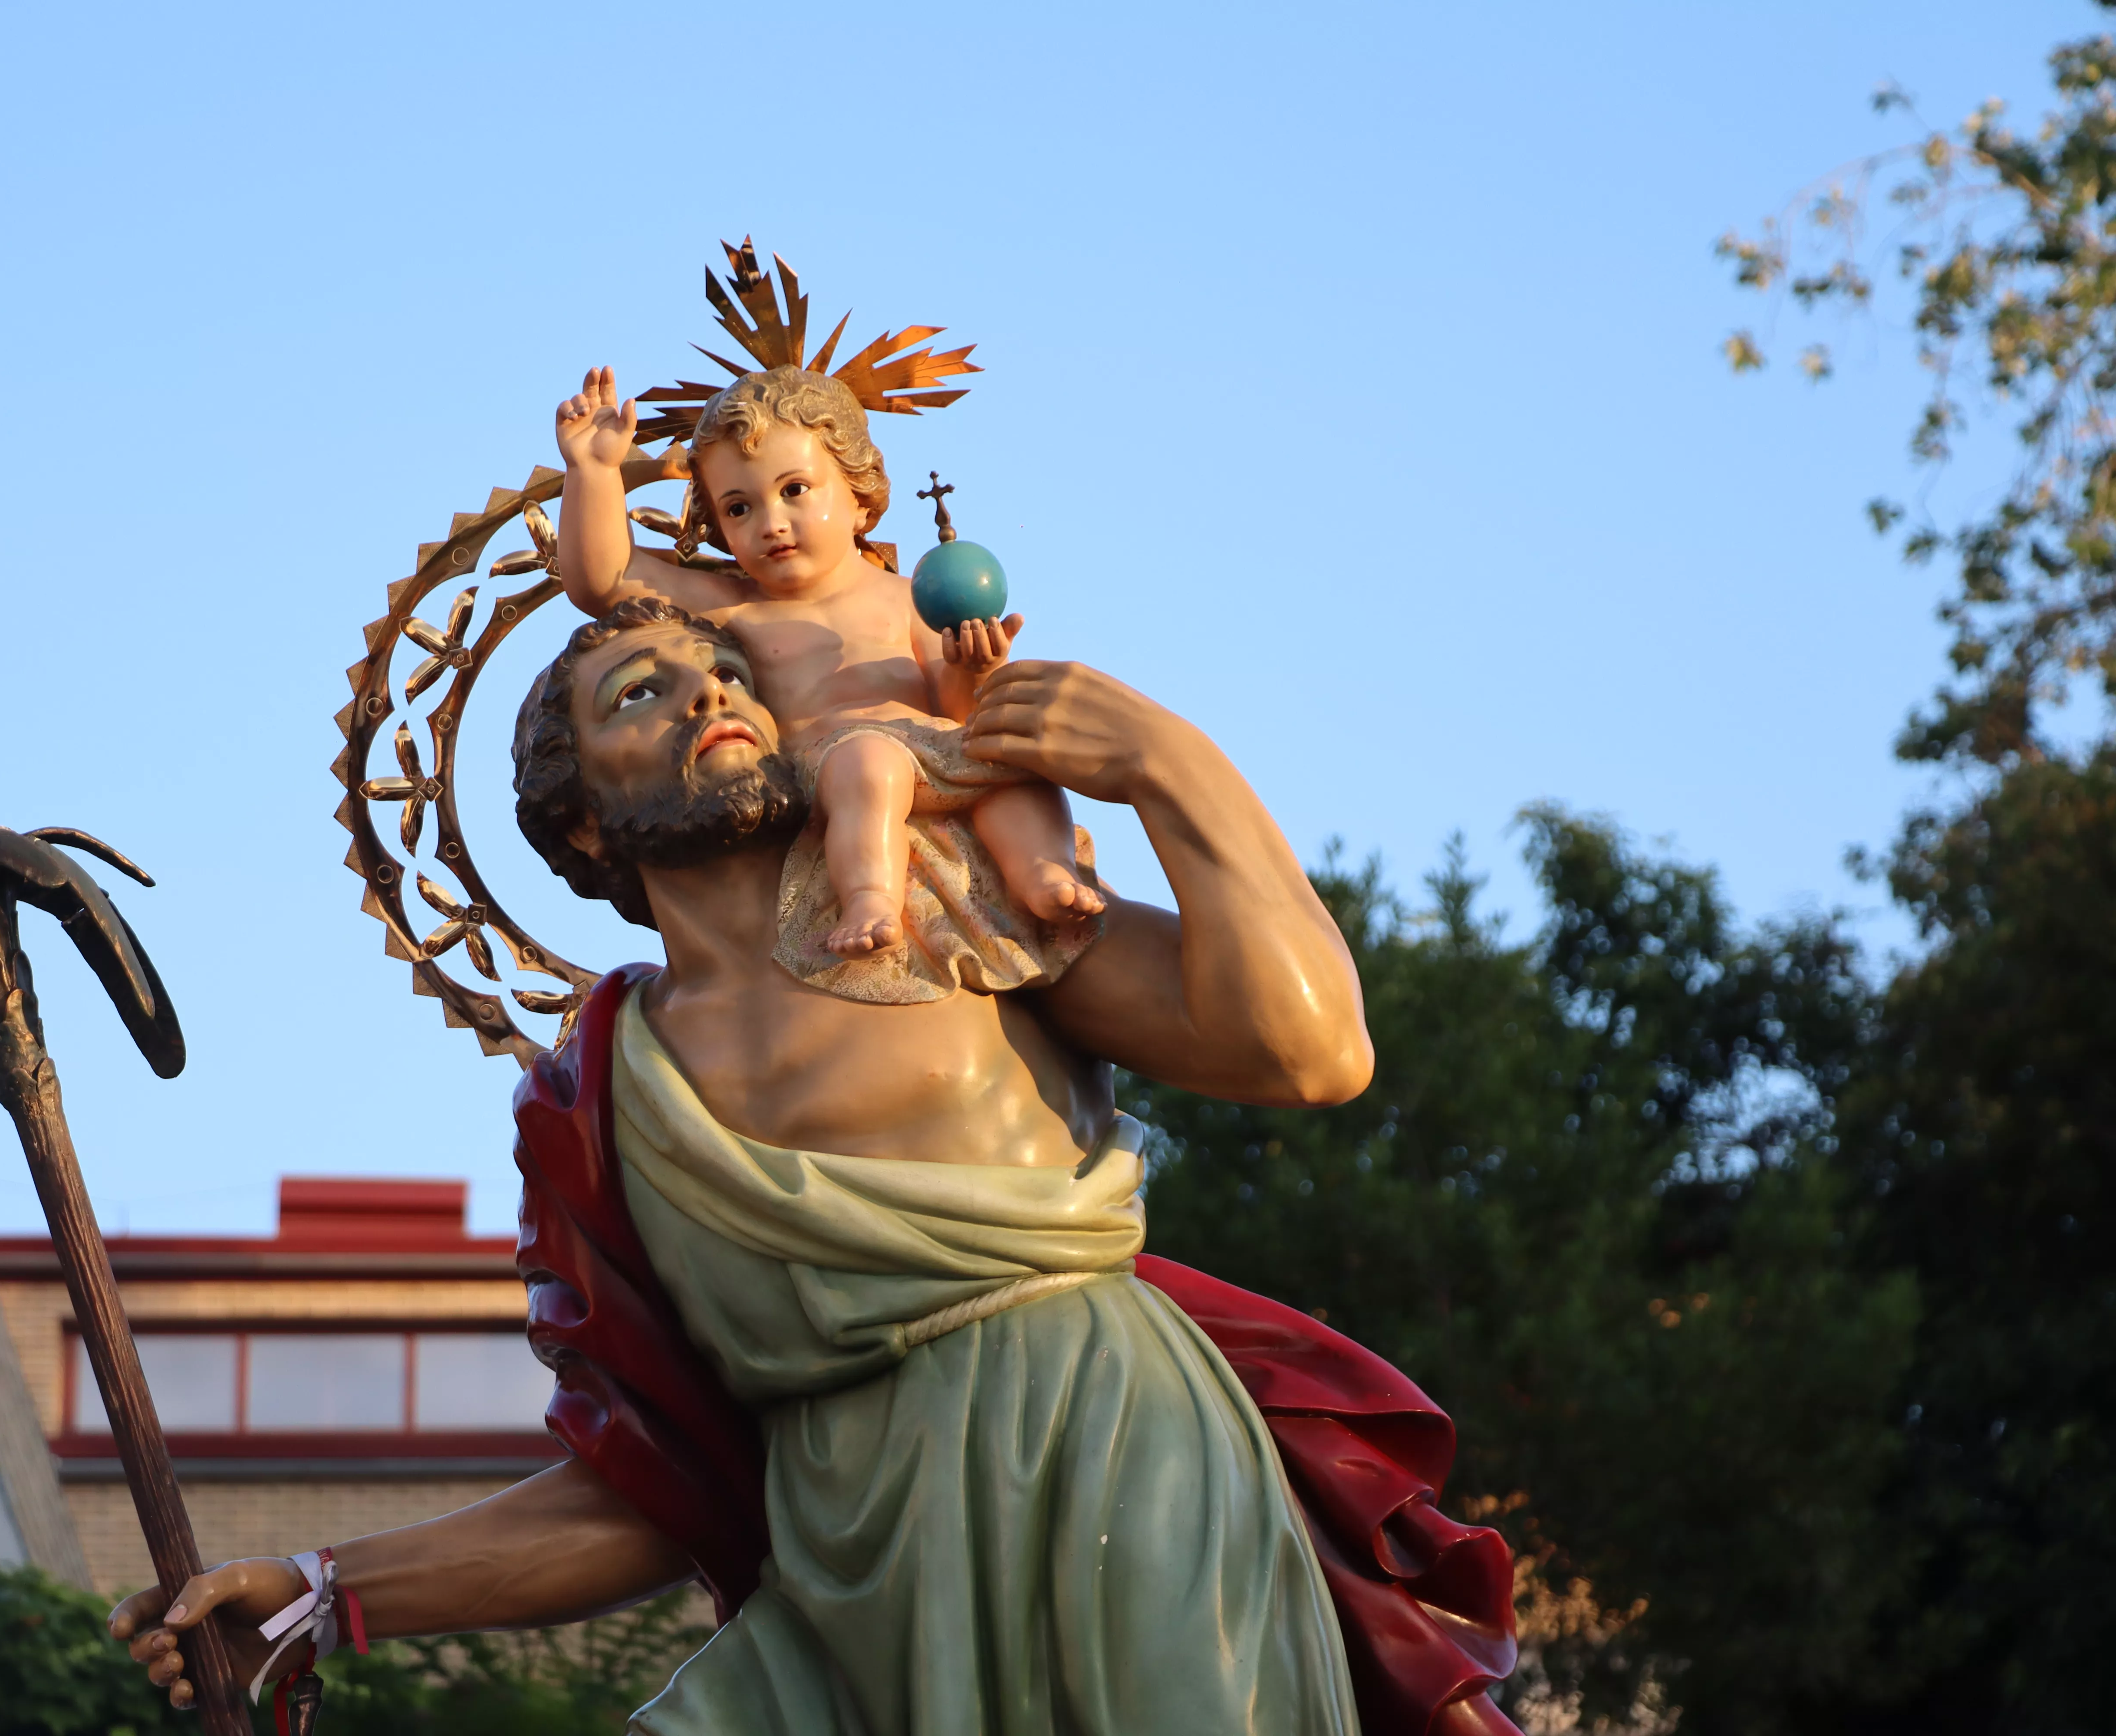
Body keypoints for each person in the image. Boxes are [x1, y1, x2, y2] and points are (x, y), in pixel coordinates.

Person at [109, 599, 1523, 1734]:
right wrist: (313, 1587)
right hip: (853, 1590)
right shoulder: (601, 1106)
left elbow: (1312, 1049)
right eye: (640, 697)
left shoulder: (941, 898)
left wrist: (1172, 765)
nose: (711, 698)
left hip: (1118, 1484)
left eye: (722, 671)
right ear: (584, 824)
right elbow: (644, 1493)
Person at [552, 359, 1105, 982]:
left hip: (940, 754)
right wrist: (594, 472)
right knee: (870, 766)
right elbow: (605, 580)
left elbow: (955, 707)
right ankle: (870, 896)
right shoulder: (734, 606)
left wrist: (974, 668)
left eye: (794, 491)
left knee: (1015, 772)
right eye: (738, 509)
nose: (772, 523)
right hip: (837, 766)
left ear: (860, 498)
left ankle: (1043, 873)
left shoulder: (908, 596)